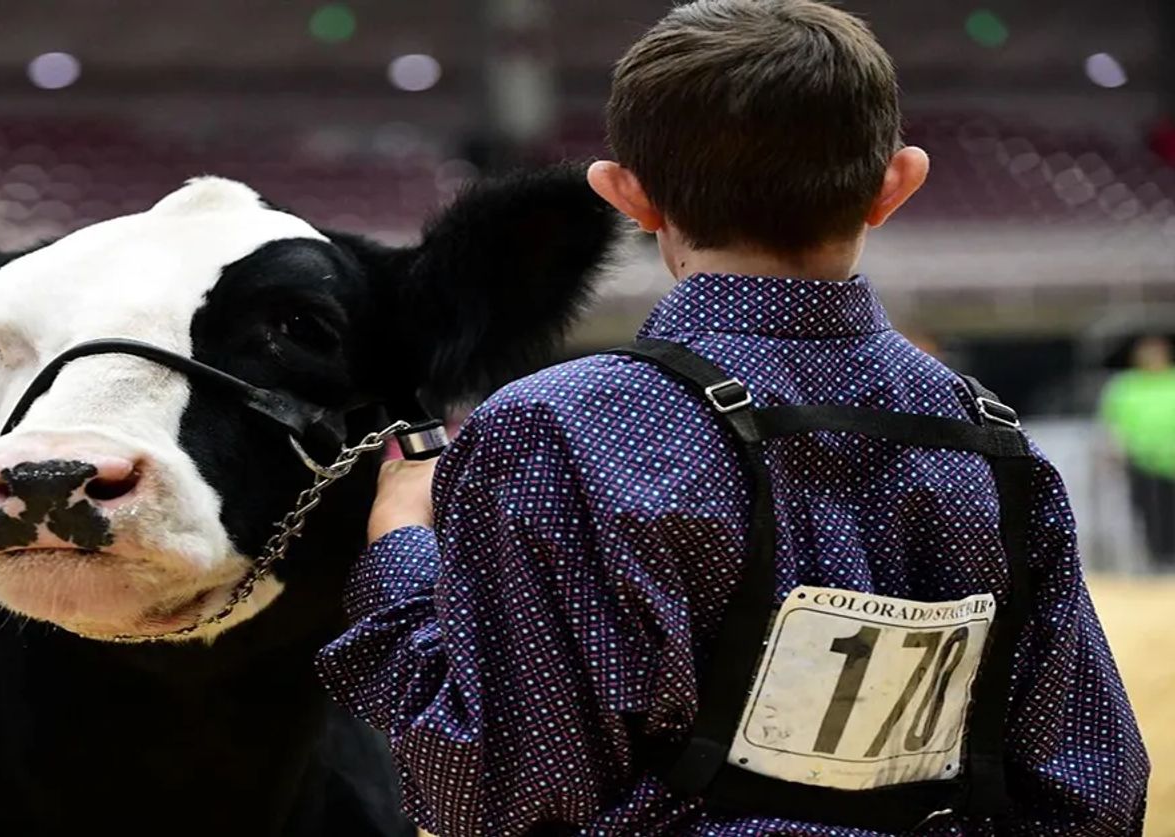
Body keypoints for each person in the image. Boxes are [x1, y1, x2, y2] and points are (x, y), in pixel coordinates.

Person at [315, 1, 1150, 834]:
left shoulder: (548, 430)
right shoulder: (998, 448)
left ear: (626, 195)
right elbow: (1090, 789)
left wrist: (400, 553)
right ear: (896, 185)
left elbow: (490, 788)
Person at [1100, 333, 1175, 567]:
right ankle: (1159, 560)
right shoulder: (1125, 386)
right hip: (1141, 460)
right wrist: (1114, 446)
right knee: (1150, 513)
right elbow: (1112, 421)